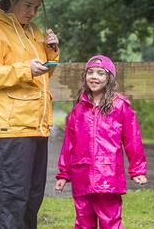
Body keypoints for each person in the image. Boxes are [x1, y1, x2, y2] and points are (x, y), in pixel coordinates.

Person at [0, 0, 59, 229]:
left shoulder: (32, 31)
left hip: (36, 125)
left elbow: (41, 76)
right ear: (12, 0)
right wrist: (25, 69)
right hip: (8, 129)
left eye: (36, 7)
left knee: (32, 200)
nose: (33, 12)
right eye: (28, 6)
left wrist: (51, 51)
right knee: (11, 200)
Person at [55, 55, 147, 229]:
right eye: (90, 72)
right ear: (85, 77)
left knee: (110, 220)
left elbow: (132, 139)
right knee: (83, 221)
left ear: (109, 78)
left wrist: (137, 170)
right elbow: (69, 143)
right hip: (81, 173)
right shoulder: (78, 108)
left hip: (108, 174)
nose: (94, 77)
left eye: (100, 73)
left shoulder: (120, 106)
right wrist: (64, 173)